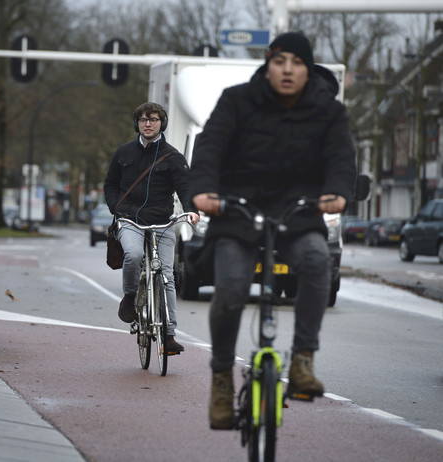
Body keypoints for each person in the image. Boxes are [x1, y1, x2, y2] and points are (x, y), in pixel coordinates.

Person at [189, 32, 356, 429]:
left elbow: (340, 157)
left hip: (297, 211)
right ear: (267, 64)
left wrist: (337, 193)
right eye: (280, 62)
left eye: (297, 63)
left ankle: (302, 361)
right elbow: (210, 148)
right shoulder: (236, 101)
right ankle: (221, 382)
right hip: (237, 208)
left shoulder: (328, 111)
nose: (287, 70)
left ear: (307, 69)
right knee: (230, 287)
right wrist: (203, 192)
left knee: (317, 262)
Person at [104, 102, 200, 355]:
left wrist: (191, 211)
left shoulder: (173, 157)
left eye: (154, 119)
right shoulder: (123, 153)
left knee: (167, 276)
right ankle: (129, 296)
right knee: (134, 256)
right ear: (137, 123)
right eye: (144, 119)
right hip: (130, 220)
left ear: (162, 124)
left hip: (163, 222)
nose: (148, 123)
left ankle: (169, 335)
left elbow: (186, 188)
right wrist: (116, 207)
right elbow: (110, 184)